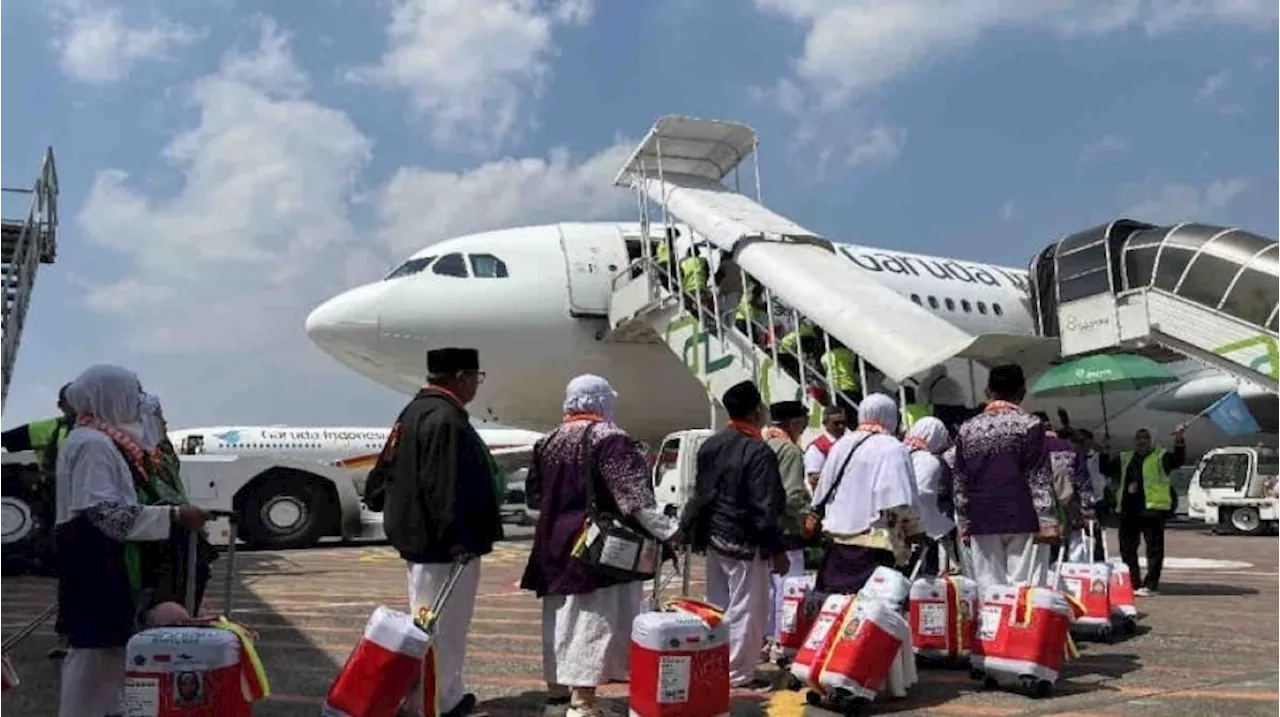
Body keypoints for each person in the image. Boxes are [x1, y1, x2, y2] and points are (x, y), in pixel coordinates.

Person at [55, 364, 209, 717]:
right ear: (111, 397)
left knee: (130, 655)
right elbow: (105, 513)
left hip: (111, 561)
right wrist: (174, 515)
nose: (139, 402)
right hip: (97, 564)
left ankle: (130, 712)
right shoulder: (92, 444)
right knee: (96, 659)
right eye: (133, 393)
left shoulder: (105, 440)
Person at [521, 375, 679, 717]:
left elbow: (534, 496)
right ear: (601, 401)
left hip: (552, 543)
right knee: (592, 619)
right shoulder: (611, 439)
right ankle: (583, 703)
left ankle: (558, 696)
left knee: (558, 618)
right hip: (594, 548)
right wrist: (670, 531)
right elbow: (635, 501)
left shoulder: (546, 441)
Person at [383, 348, 504, 717]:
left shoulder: (412, 412)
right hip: (444, 548)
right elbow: (447, 487)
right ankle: (441, 703)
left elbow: (382, 472)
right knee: (445, 630)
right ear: (462, 376)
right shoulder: (447, 419)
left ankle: (427, 698)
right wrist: (460, 540)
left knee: (427, 623)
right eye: (476, 378)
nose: (475, 387)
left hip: (419, 542)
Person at [682, 380, 787, 691]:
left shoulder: (712, 444)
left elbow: (701, 491)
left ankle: (716, 665)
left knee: (717, 606)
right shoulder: (758, 450)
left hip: (714, 536)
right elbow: (763, 506)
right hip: (744, 540)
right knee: (749, 609)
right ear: (757, 412)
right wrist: (775, 549)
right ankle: (739, 673)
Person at [952, 365, 1058, 592]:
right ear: (1022, 391)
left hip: (982, 518)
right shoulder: (1030, 424)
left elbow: (960, 482)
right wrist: (1048, 521)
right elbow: (1038, 476)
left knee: (989, 588)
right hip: (1022, 516)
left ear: (988, 391)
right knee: (1023, 588)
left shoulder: (967, 429)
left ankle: (991, 627)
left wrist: (964, 523)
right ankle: (1019, 628)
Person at [812, 393, 923, 594]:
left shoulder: (841, 445)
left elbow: (821, 490)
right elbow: (897, 499)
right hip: (875, 544)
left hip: (838, 540)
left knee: (837, 606)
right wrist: (914, 533)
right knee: (870, 612)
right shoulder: (892, 448)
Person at [1101, 425, 1186, 596]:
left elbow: (1178, 461)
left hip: (1152, 509)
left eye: (1145, 438)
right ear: (1134, 441)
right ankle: (1133, 582)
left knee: (1154, 549)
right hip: (1128, 509)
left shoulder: (1160, 456)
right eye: (1138, 438)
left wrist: (1179, 440)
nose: (1141, 441)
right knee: (1127, 549)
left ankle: (1151, 584)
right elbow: (1106, 470)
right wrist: (1105, 450)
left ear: (1150, 441)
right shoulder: (1124, 457)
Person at [760, 400, 810, 656]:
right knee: (789, 589)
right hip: (786, 531)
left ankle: (766, 639)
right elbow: (792, 496)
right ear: (795, 423)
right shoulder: (789, 451)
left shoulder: (762, 443)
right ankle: (784, 640)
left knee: (767, 590)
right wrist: (806, 519)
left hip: (762, 529)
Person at [904, 417, 956, 576]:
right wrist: (939, 527)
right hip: (916, 528)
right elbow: (923, 495)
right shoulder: (928, 461)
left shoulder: (900, 451)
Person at [1041, 421, 1095, 562]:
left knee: (1042, 548)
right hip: (1069, 506)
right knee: (1073, 543)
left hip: (1040, 509)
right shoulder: (1071, 448)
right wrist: (1087, 506)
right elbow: (1082, 479)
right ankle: (1073, 574)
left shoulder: (1031, 448)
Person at [1072, 429, 1111, 559]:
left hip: (1096, 500)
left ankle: (1098, 560)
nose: (1081, 445)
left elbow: (1104, 455)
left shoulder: (1096, 456)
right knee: (1076, 534)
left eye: (1083, 442)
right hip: (1077, 501)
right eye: (1078, 442)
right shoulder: (1074, 457)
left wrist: (1101, 445)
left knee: (1095, 533)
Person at [803, 406, 847, 495]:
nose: (841, 426)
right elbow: (813, 478)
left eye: (843, 422)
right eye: (836, 423)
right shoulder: (816, 448)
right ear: (825, 424)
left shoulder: (849, 442)